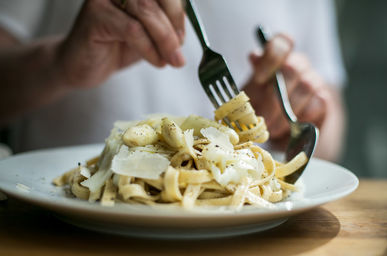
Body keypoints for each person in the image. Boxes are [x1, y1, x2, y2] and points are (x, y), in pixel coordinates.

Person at [0, 0, 346, 161]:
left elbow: (331, 134)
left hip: (244, 235)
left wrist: (293, 112)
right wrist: (61, 63)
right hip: (58, 231)